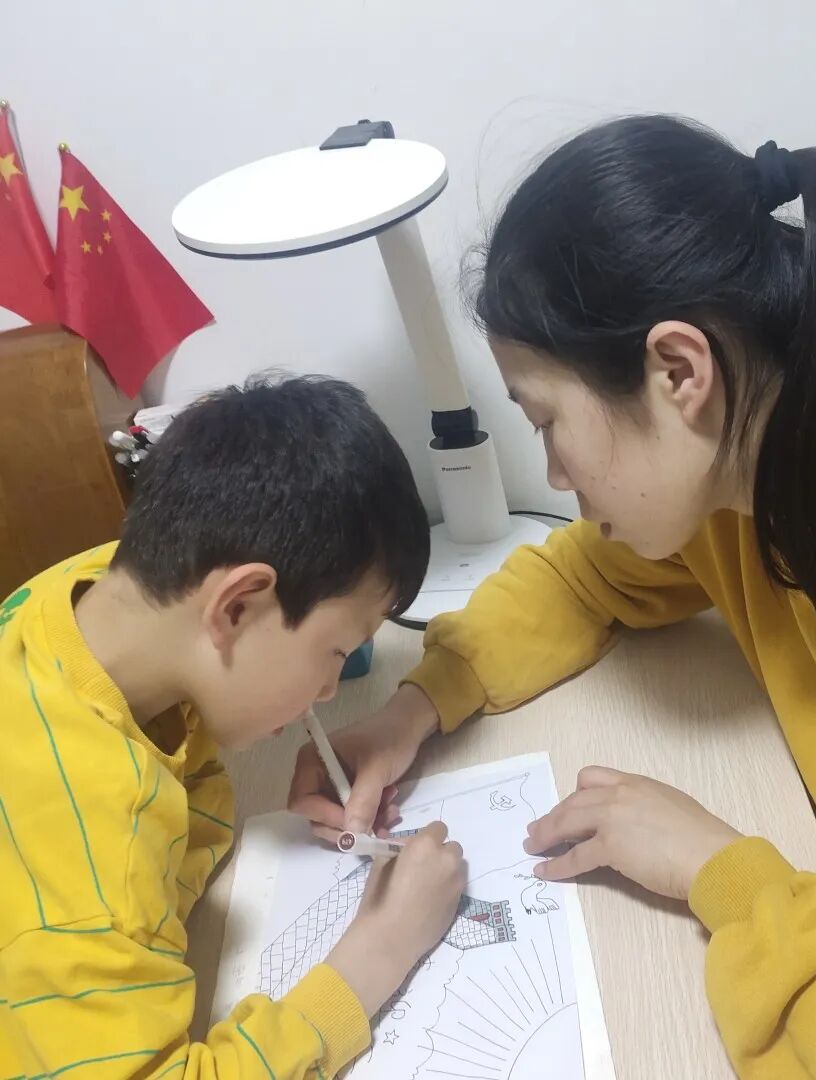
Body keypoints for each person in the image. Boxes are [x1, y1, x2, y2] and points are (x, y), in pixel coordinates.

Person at [289, 116, 816, 1077]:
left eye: (546, 422)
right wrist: (414, 710)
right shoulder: (757, 482)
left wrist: (717, 870)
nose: (557, 476)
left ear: (679, 372)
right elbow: (580, 578)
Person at [0, 377, 467, 1078]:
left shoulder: (95, 588)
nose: (328, 692)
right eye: (336, 653)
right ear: (238, 606)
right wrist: (379, 951)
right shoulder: (93, 858)